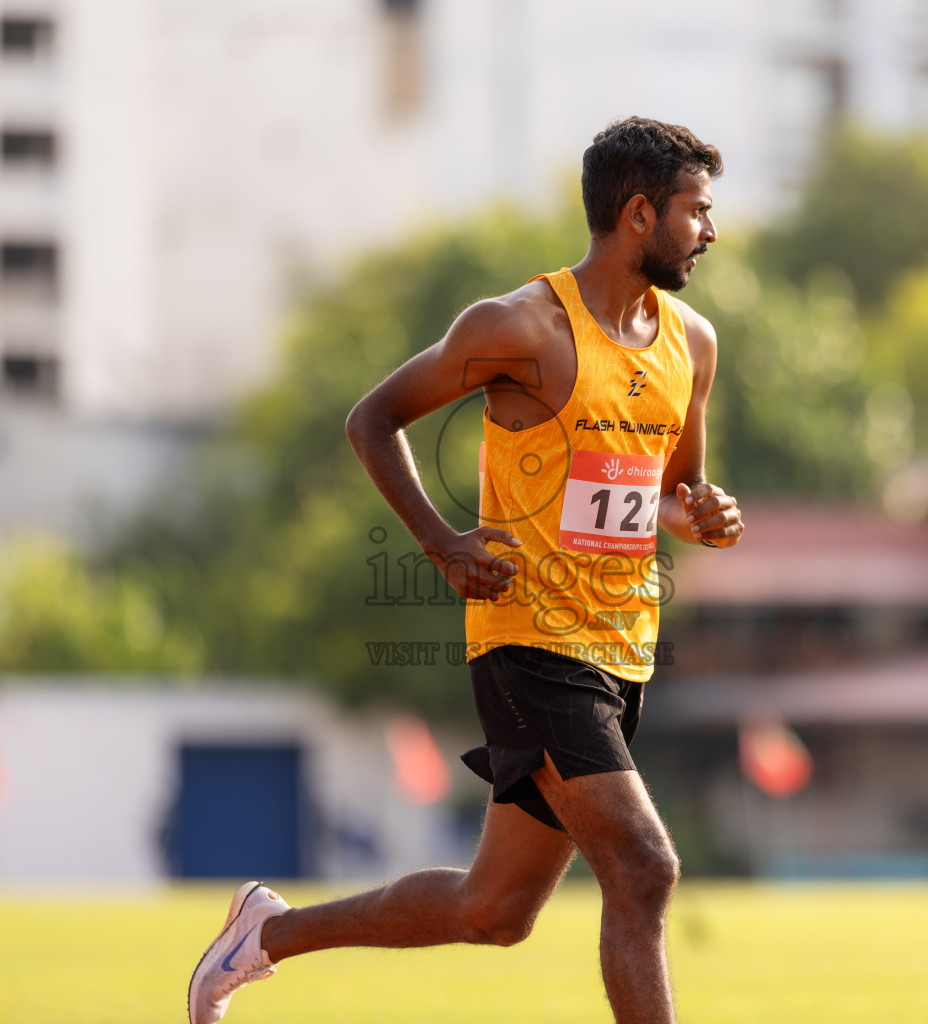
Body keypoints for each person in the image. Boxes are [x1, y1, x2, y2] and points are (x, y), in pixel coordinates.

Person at [188, 116, 744, 1024]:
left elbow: (673, 493)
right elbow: (373, 418)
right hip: (528, 640)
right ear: (640, 213)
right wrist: (442, 542)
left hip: (621, 650)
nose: (710, 231)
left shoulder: (693, 342)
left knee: (493, 911)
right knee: (644, 869)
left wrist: (705, 514)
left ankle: (265, 933)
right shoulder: (520, 328)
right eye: (697, 211)